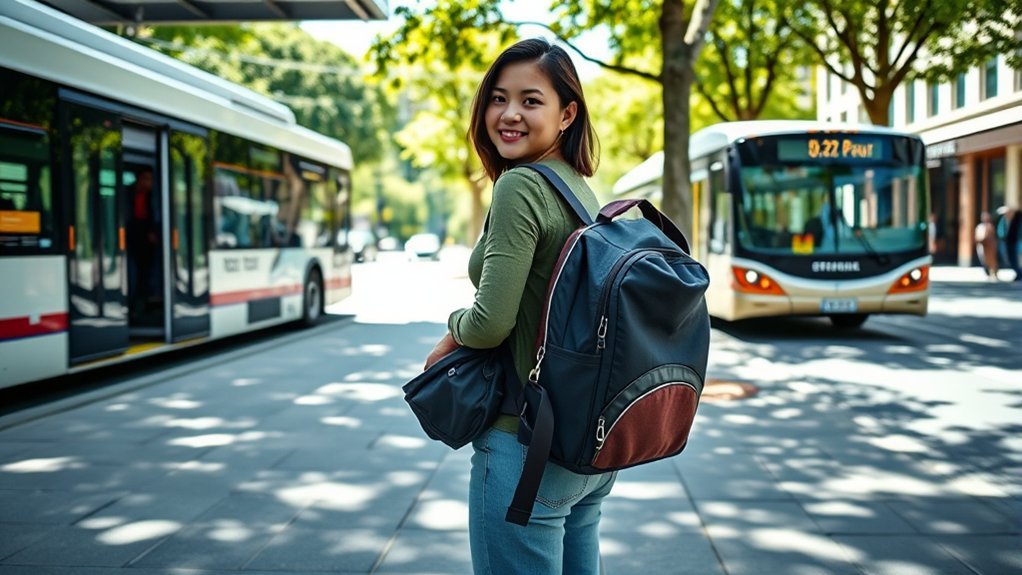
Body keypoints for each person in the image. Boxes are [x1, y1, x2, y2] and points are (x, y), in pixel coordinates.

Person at [422, 38, 615, 574]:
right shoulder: (579, 190)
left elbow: (488, 325)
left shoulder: (521, 188)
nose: (509, 114)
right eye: (498, 98)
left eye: (531, 101)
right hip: (586, 449)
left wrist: (450, 329)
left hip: (524, 444)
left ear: (567, 113)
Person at [997, 206, 1020, 281]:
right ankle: (1018, 273)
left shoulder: (1016, 221)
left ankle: (1019, 273)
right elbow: (1001, 232)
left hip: (1014, 242)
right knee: (1010, 258)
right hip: (1008, 241)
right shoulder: (1004, 220)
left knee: (1014, 259)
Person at [974, 211, 998, 281]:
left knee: (991, 260)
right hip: (981, 245)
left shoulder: (990, 227)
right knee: (983, 259)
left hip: (989, 246)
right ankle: (988, 272)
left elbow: (991, 236)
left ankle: (993, 273)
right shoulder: (979, 227)